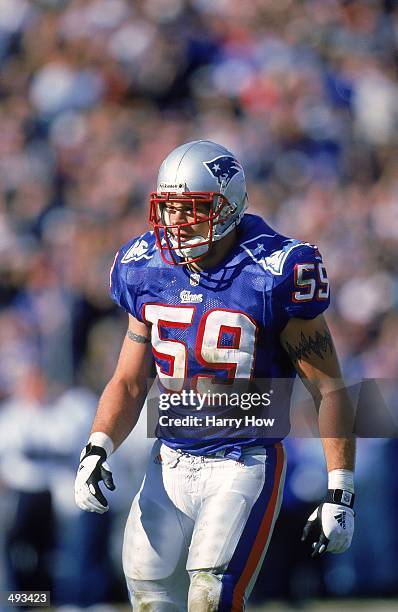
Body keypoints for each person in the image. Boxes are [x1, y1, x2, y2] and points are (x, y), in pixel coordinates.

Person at [74, 140, 356, 611]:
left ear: (229, 205)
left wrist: (340, 490)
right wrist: (97, 446)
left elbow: (328, 387)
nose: (176, 222)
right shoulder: (143, 265)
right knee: (147, 593)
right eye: (169, 208)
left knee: (212, 594)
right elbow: (128, 380)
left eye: (192, 209)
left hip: (244, 460)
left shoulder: (277, 270)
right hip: (170, 458)